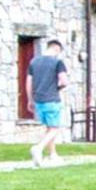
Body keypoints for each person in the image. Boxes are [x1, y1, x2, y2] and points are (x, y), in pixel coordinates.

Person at [27, 39, 68, 167]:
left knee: (50, 127)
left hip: (38, 100)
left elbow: (28, 83)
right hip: (52, 99)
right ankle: (38, 148)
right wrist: (59, 88)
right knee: (56, 128)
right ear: (56, 49)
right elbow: (64, 81)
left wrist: (30, 99)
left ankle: (53, 154)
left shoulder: (33, 62)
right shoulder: (58, 63)